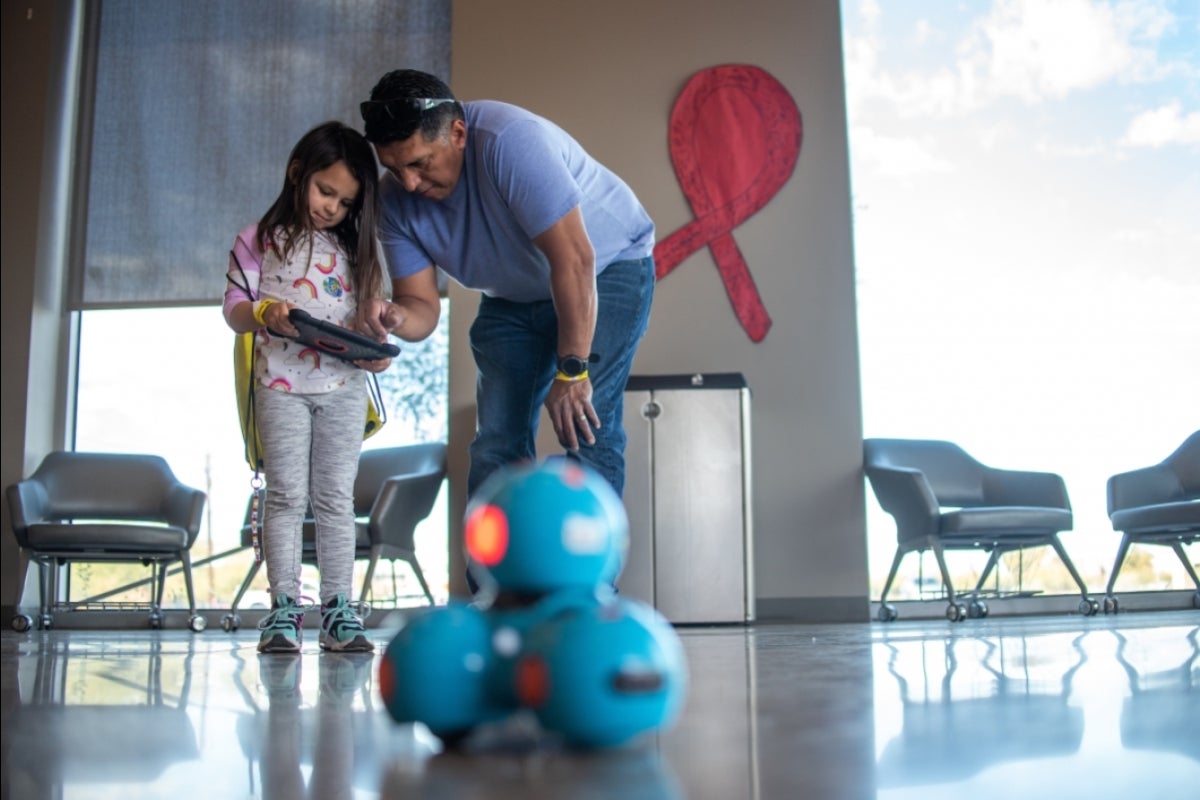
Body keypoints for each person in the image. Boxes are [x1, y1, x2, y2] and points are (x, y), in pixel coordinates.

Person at [357, 69, 656, 524]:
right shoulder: (394, 202)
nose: (409, 182)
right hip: (512, 296)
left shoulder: (509, 142)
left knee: (585, 424)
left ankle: (587, 590)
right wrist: (393, 318)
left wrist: (572, 370)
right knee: (497, 439)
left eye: (419, 163)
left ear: (458, 133)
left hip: (607, 269)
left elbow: (574, 260)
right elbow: (421, 308)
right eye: (394, 168)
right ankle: (497, 592)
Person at [223, 121, 393, 653]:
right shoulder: (257, 239)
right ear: (298, 173)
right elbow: (233, 312)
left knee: (336, 499)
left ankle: (339, 608)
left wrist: (377, 346)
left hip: (342, 387)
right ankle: (284, 610)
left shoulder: (357, 250)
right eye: (325, 191)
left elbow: (368, 326)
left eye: (344, 202)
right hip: (279, 384)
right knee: (285, 496)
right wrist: (263, 312)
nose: (331, 209)